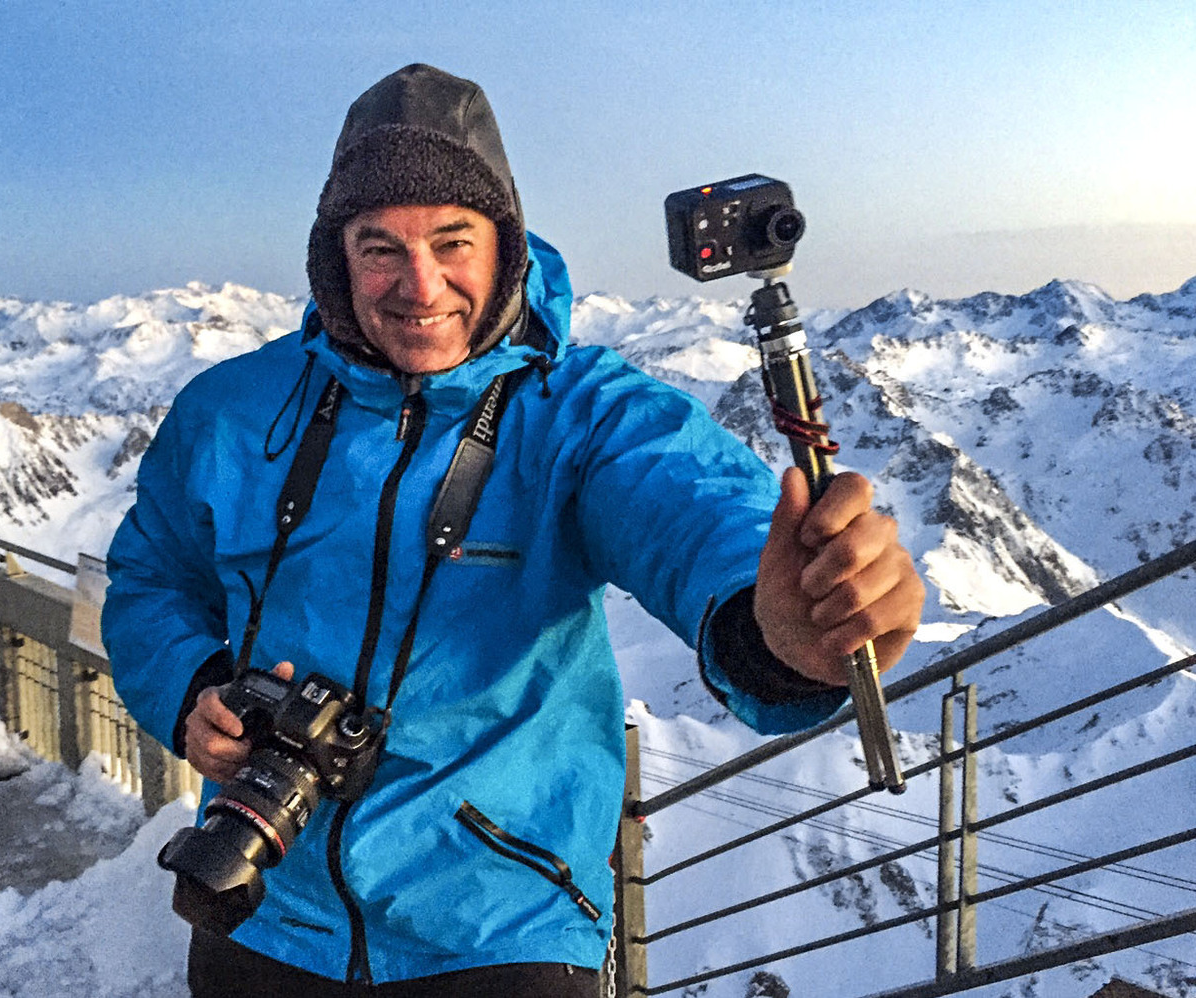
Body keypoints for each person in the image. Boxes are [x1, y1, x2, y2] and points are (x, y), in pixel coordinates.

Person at [103, 64, 924, 997]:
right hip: (260, 901)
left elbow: (697, 512)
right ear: (335, 258)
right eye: (379, 247)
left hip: (504, 928)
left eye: (452, 241)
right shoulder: (231, 412)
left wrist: (784, 631)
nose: (419, 285)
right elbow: (151, 580)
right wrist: (192, 690)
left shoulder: (586, 417)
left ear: (507, 247)